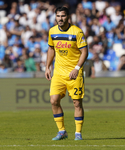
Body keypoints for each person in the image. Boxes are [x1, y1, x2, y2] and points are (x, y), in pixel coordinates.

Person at [45, 6, 88, 141]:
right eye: (58, 16)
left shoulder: (77, 32)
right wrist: (47, 67)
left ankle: (78, 133)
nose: (60, 18)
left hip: (74, 73)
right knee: (54, 100)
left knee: (76, 103)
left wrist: (76, 68)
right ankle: (62, 131)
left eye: (63, 16)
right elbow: (51, 49)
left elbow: (85, 52)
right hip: (58, 73)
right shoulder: (52, 31)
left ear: (68, 17)